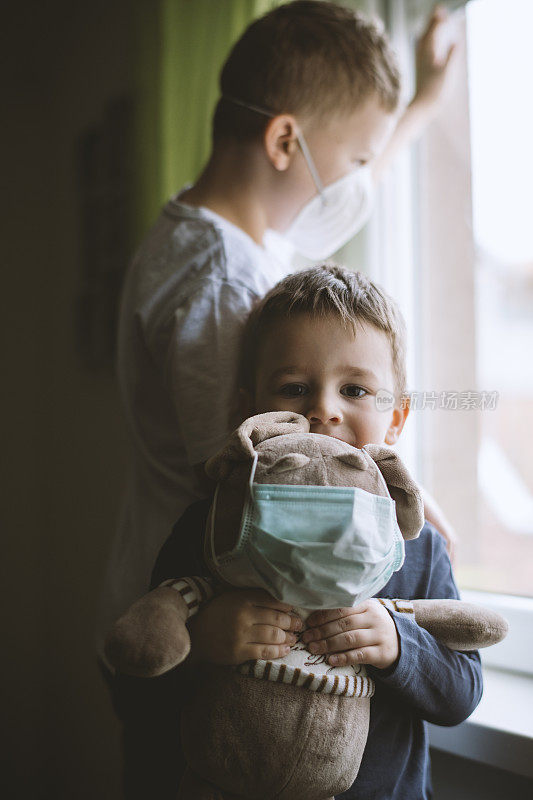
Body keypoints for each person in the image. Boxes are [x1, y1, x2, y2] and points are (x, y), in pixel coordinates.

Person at [97, 1, 457, 796]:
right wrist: (408, 497)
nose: (359, 179)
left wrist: (423, 100)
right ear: (286, 140)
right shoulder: (223, 286)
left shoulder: (212, 239)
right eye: (352, 158)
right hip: (199, 634)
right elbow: (252, 484)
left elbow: (353, 190)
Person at [150, 265, 482, 800]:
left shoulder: (417, 544)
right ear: (248, 408)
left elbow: (462, 692)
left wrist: (400, 646)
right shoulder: (213, 524)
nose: (324, 409)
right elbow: (144, 663)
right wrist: (201, 638)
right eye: (294, 387)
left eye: (354, 389)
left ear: (396, 418)